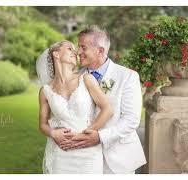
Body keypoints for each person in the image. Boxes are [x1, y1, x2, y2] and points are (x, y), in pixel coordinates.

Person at [59, 25, 147, 174]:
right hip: (82, 158)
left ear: (100, 50)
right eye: (78, 47)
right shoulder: (75, 77)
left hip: (118, 160)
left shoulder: (128, 76)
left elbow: (131, 119)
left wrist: (100, 137)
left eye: (83, 47)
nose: (78, 52)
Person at [37, 40, 113, 173]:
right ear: (56, 54)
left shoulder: (86, 79)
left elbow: (108, 109)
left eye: (74, 49)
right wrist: (53, 132)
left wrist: (86, 134)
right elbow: (42, 125)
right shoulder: (45, 91)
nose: (75, 52)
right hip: (61, 154)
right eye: (69, 49)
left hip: (87, 152)